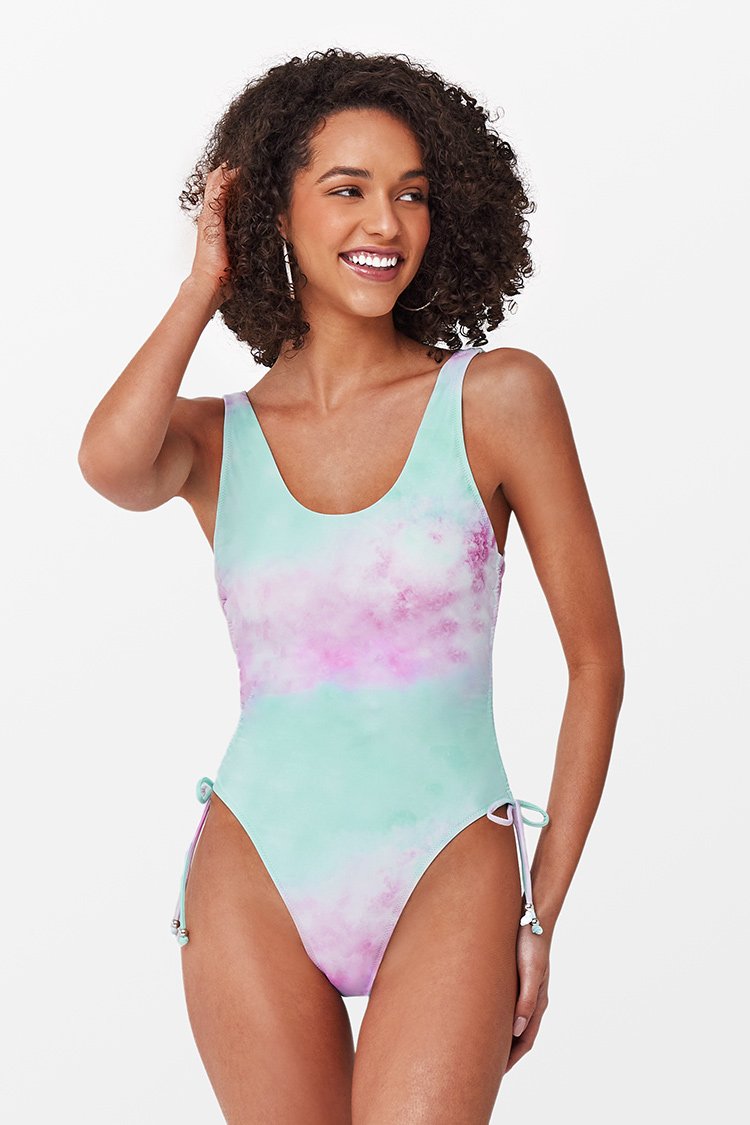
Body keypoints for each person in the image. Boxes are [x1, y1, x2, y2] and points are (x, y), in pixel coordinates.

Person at [78, 48, 624, 1125]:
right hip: (257, 863)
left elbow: (597, 665)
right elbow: (109, 464)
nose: (386, 223)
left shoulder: (497, 398)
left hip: (447, 858)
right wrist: (203, 282)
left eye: (412, 193)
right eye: (347, 190)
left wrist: (541, 912)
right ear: (274, 213)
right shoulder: (219, 439)